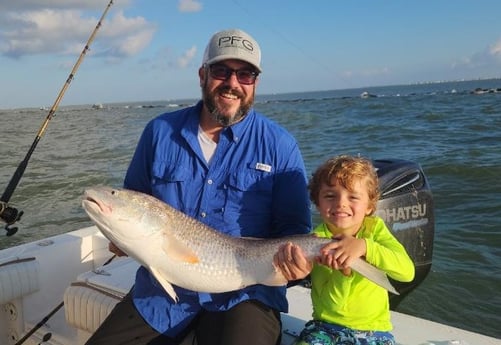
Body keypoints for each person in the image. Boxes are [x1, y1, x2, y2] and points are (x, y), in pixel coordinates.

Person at [84, 28, 312, 345]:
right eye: (222, 71)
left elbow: (294, 231)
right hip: (161, 296)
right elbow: (135, 203)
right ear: (202, 74)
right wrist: (119, 238)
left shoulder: (281, 146)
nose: (233, 84)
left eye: (245, 75)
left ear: (255, 84)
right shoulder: (159, 132)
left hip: (246, 295)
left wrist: (297, 265)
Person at [293, 155, 415, 345]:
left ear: (369, 206)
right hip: (325, 327)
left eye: (353, 197)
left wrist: (366, 247)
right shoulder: (315, 242)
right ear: (317, 203)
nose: (341, 203)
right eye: (330, 196)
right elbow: (333, 308)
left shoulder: (375, 230)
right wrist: (344, 274)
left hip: (375, 330)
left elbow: (407, 273)